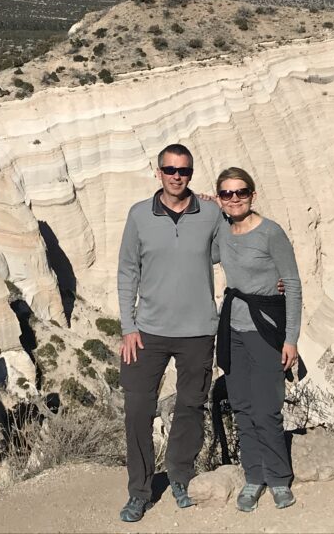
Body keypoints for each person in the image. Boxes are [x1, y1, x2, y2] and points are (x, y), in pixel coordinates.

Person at [116, 143, 222, 522]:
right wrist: (128, 327)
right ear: (158, 172)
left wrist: (224, 207)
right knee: (138, 410)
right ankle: (139, 492)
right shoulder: (139, 215)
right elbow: (128, 271)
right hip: (148, 333)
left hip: (197, 331)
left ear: (191, 173)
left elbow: (235, 246)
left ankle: (180, 476)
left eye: (185, 171)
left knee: (191, 407)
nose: (178, 176)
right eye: (170, 169)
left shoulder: (210, 213)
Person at [213, 167, 303, 512]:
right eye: (226, 193)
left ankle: (279, 479)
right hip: (231, 331)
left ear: (253, 194)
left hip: (265, 330)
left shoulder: (271, 233)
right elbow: (205, 255)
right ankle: (253, 477)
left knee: (267, 409)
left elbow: (292, 285)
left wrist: (290, 339)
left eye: (241, 192)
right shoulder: (223, 230)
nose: (234, 199)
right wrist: (207, 204)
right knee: (241, 407)